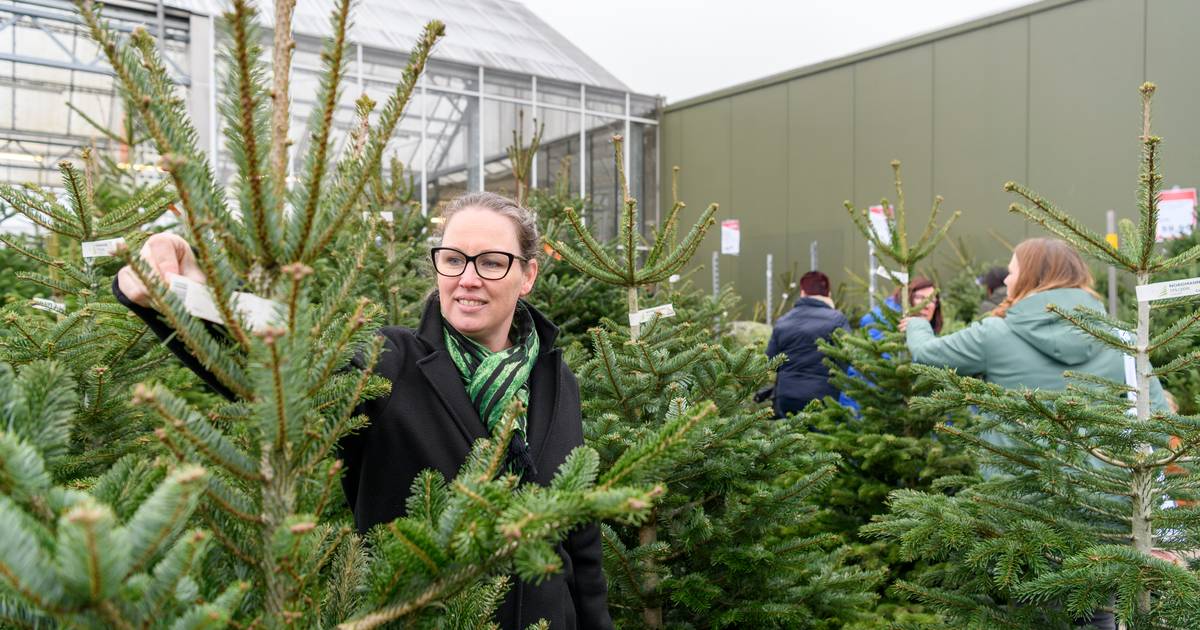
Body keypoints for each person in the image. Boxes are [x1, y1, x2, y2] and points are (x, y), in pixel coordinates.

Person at [114, 192, 612, 629]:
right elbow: (279, 364)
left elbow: (579, 538)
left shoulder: (554, 378)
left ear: (527, 275)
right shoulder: (388, 361)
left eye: (491, 262)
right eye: (453, 259)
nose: (467, 279)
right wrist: (184, 293)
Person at [901, 237, 1167, 630]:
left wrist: (920, 325)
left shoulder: (995, 335)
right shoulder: (1123, 338)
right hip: (1108, 509)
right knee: (1103, 615)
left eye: (1011, 271)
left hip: (1022, 510)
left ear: (1029, 277)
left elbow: (929, 357)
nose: (1006, 281)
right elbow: (1158, 417)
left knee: (1036, 614)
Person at [837, 277, 942, 412]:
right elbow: (879, 372)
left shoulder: (926, 336)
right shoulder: (885, 328)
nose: (927, 305)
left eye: (932, 300)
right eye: (921, 298)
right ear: (907, 298)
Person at [766, 271, 849, 417]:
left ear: (802, 292)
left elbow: (770, 360)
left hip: (787, 397)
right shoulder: (837, 320)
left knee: (791, 438)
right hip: (825, 396)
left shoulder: (783, 321)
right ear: (828, 294)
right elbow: (847, 355)